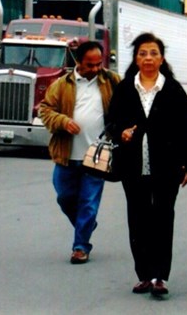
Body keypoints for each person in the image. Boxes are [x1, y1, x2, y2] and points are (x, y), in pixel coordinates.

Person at [106, 33, 187, 298]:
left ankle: (160, 276)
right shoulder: (125, 88)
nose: (148, 58)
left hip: (167, 167)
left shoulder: (173, 89)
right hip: (132, 166)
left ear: (162, 58)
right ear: (136, 58)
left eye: (153, 53)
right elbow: (111, 122)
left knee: (163, 218)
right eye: (143, 53)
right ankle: (144, 275)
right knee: (137, 220)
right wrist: (121, 132)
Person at [39, 41, 120, 264]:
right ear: (78, 61)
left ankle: (80, 246)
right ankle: (87, 223)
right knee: (65, 198)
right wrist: (63, 121)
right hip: (66, 155)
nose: (95, 69)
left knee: (88, 202)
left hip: (97, 157)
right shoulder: (61, 85)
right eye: (89, 65)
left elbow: (126, 106)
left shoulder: (111, 81)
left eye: (98, 64)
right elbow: (45, 110)